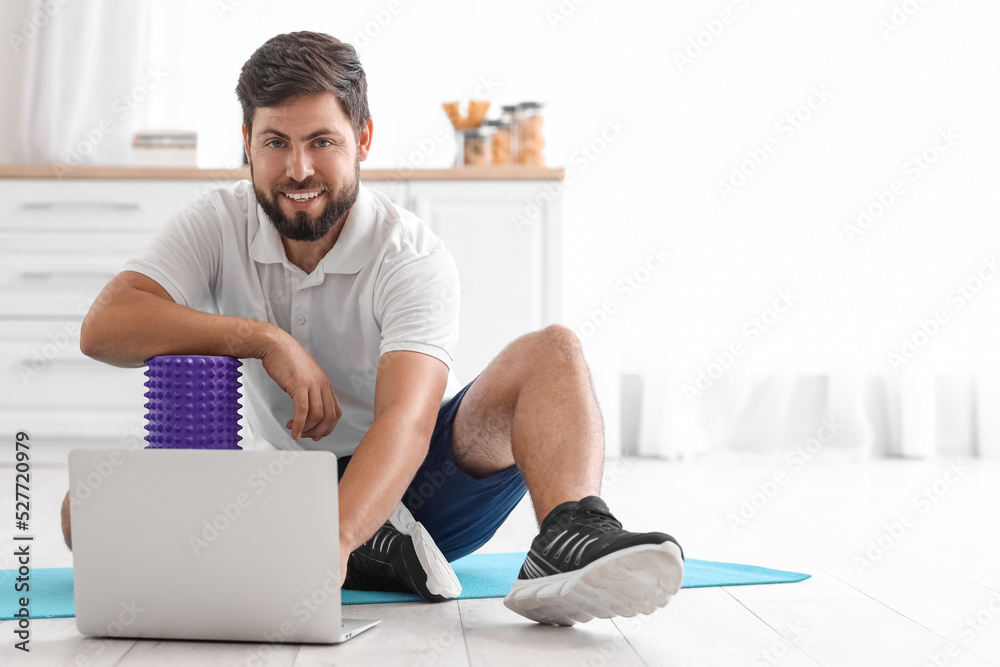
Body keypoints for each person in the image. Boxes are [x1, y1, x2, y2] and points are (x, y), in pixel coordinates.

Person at [62, 31, 684, 626]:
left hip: (418, 485)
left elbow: (405, 424)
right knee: (81, 514)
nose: (298, 169)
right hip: (289, 488)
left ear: (362, 139)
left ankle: (569, 534)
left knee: (554, 350)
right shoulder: (217, 221)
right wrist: (264, 339)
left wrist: (330, 539)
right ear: (246, 143)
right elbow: (106, 326)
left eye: (322, 142)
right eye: (276, 142)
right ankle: (369, 549)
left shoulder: (409, 255)